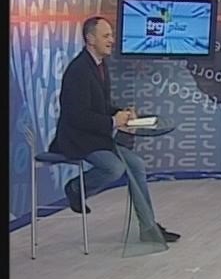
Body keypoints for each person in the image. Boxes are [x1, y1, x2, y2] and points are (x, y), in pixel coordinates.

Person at [49, 16, 180, 243]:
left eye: (111, 35)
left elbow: (100, 106)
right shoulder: (78, 71)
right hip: (78, 138)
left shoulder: (100, 65)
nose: (112, 40)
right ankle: (76, 188)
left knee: (136, 164)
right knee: (113, 168)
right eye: (106, 36)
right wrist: (113, 121)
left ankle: (149, 228)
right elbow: (77, 116)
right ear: (91, 39)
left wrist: (122, 113)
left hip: (96, 136)